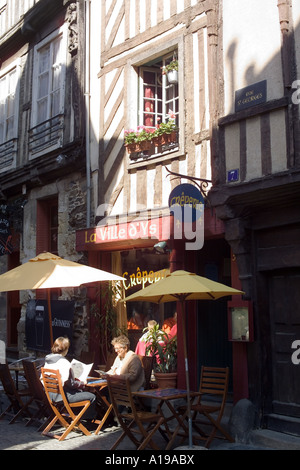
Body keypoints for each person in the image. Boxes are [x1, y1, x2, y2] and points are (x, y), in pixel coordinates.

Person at [43, 336, 96, 419]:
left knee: (80, 393)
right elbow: (71, 384)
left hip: (50, 394)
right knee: (92, 396)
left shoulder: (48, 360)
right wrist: (82, 383)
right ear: (66, 349)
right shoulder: (64, 363)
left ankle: (75, 418)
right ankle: (84, 421)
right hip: (62, 396)